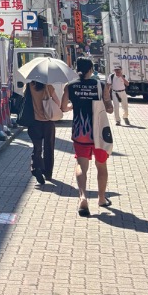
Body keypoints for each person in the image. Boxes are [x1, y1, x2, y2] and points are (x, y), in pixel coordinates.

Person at [61, 56, 114, 216]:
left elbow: (63, 108)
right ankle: (102, 198)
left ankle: (83, 197)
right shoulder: (100, 84)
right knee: (101, 166)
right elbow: (109, 109)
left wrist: (72, 106)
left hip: (80, 132)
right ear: (91, 69)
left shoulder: (70, 86)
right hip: (98, 134)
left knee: (81, 165)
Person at [19, 80, 62, 184]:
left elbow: (25, 99)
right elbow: (58, 102)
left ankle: (36, 167)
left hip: (34, 122)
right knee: (49, 148)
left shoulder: (29, 86)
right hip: (48, 123)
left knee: (37, 148)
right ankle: (48, 174)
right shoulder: (49, 87)